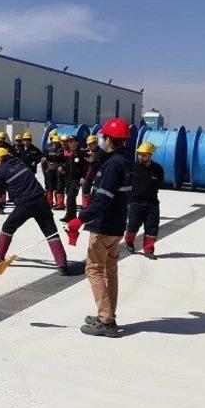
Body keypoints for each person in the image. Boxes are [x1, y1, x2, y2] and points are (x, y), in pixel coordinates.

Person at [66, 117, 133, 338]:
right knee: (110, 271)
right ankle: (108, 314)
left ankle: (106, 321)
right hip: (117, 226)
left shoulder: (113, 165)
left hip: (104, 226)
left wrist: (80, 219)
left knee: (94, 270)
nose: (101, 139)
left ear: (110, 139)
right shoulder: (123, 160)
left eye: (104, 136)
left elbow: (101, 199)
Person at [0, 147, 74, 276]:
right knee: (51, 232)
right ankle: (63, 265)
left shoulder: (2, 171)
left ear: (0, 159)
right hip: (41, 201)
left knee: (8, 227)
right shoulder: (19, 162)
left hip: (25, 204)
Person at [125, 142, 164, 259]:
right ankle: (129, 241)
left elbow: (159, 184)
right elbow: (126, 184)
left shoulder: (158, 169)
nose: (141, 157)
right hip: (135, 203)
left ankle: (149, 250)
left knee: (152, 228)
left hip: (152, 204)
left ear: (150, 155)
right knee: (133, 226)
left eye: (144, 155)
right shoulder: (133, 168)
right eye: (139, 154)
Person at [59, 135, 87, 223]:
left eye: (72, 141)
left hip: (76, 179)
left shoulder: (81, 152)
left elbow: (85, 167)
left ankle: (70, 216)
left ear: (76, 142)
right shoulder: (71, 152)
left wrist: (83, 177)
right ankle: (71, 215)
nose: (70, 143)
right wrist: (63, 168)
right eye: (69, 142)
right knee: (69, 197)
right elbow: (68, 165)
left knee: (71, 196)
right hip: (68, 178)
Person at [41, 134, 64, 209]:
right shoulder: (47, 149)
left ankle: (59, 204)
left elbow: (64, 160)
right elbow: (43, 161)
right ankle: (49, 203)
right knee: (49, 186)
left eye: (57, 142)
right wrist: (45, 171)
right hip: (50, 170)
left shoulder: (62, 149)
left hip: (58, 170)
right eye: (54, 142)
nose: (55, 144)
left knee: (59, 186)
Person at [81, 135, 100, 209]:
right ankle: (85, 207)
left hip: (98, 176)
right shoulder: (85, 152)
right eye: (88, 144)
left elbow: (103, 164)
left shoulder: (101, 152)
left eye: (92, 143)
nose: (89, 146)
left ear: (96, 143)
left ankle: (94, 206)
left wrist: (94, 160)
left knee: (97, 192)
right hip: (87, 175)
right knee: (85, 191)